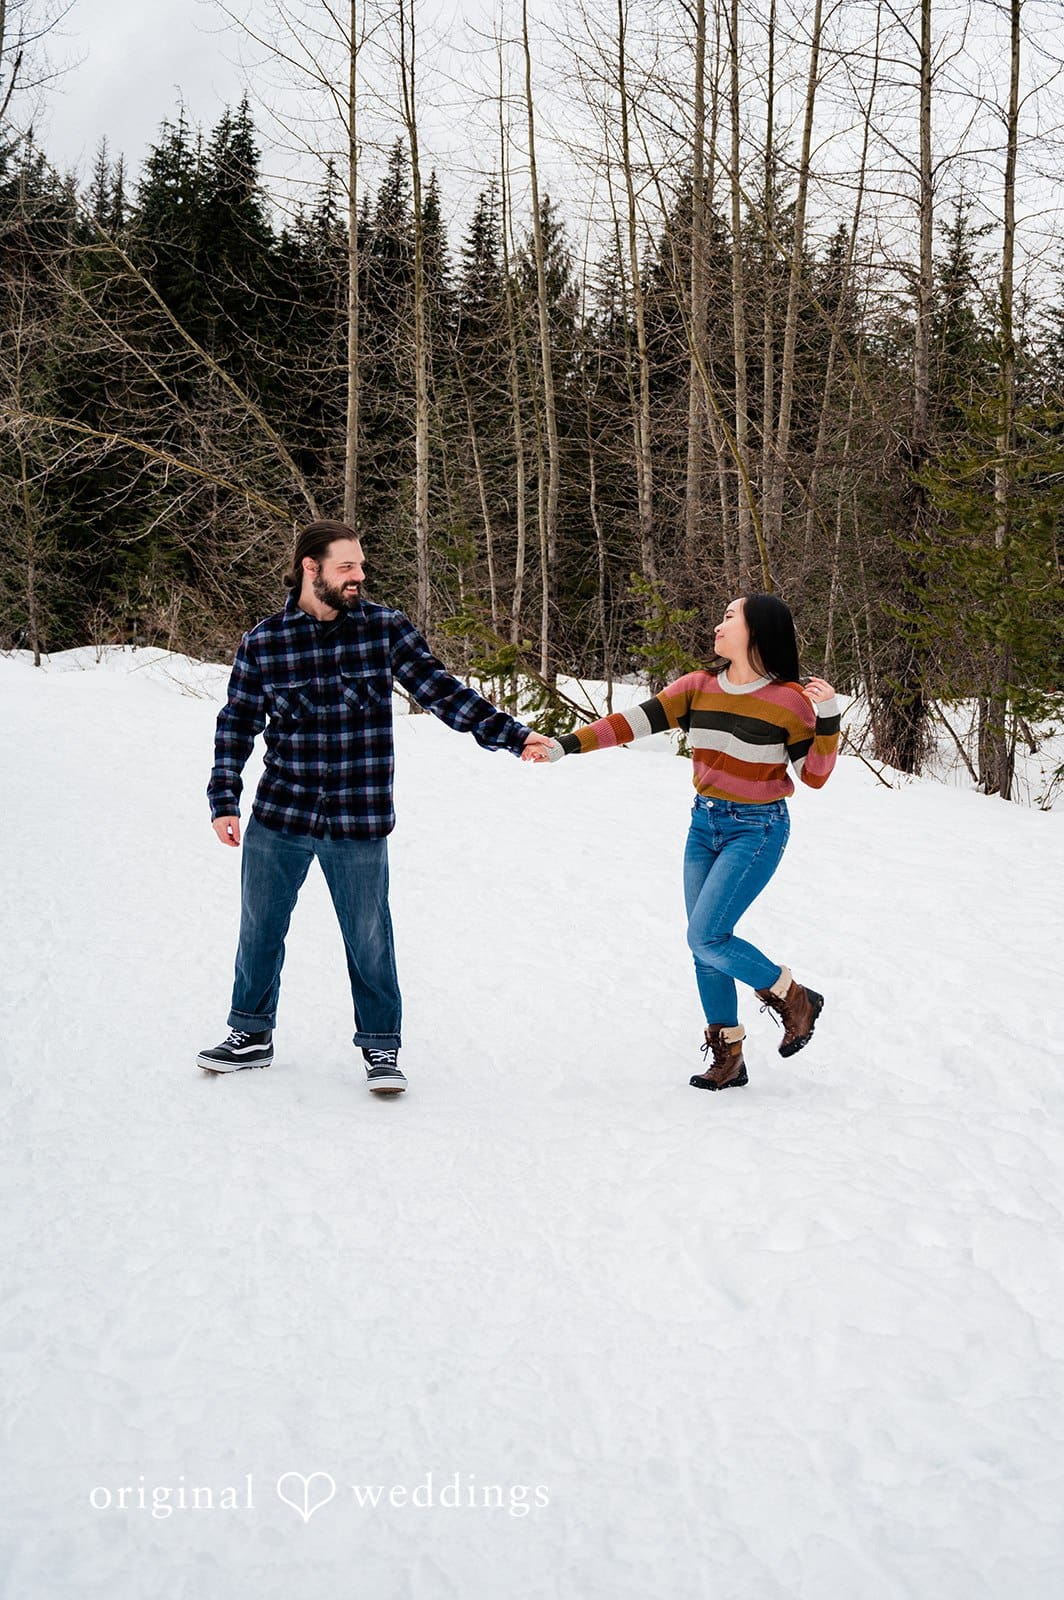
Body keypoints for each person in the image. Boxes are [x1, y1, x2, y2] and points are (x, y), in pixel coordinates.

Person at [199, 519, 552, 1094]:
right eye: (347, 567)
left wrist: (512, 736)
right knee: (260, 929)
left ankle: (381, 1049)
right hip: (280, 816)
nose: (360, 576)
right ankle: (251, 1034)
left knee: (369, 935)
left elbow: (442, 691)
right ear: (311, 568)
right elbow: (236, 724)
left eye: (361, 566)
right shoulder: (264, 641)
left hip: (357, 818)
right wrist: (223, 798)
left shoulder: (385, 629)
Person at [524, 594, 840, 1091]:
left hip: (756, 829)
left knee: (707, 936)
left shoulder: (790, 700)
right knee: (704, 946)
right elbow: (629, 723)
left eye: (729, 618)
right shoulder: (698, 687)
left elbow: (815, 776)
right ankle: (729, 1056)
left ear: (757, 631)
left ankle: (795, 997)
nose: (718, 625)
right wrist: (564, 746)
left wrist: (828, 718)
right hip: (705, 825)